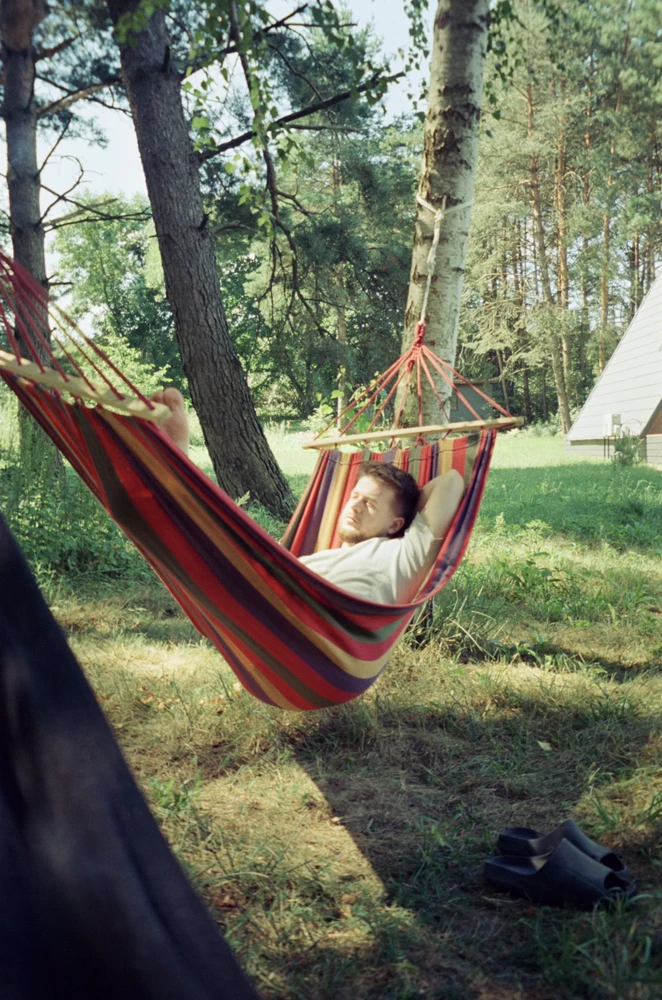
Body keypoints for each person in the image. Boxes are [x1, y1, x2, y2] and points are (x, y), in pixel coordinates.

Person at [152, 388, 464, 605]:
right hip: (268, 599)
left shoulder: (402, 555)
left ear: (395, 525)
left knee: (219, 547)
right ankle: (171, 468)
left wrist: (410, 512)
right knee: (215, 547)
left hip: (304, 622)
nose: (352, 505)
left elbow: (450, 481)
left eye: (369, 503)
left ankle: (175, 464)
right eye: (355, 495)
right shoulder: (318, 558)